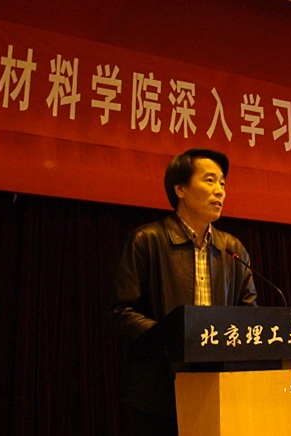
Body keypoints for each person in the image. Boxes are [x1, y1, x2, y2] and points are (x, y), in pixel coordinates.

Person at [108, 148, 257, 435]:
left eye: (222, 183)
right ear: (180, 189)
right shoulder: (146, 241)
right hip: (159, 392)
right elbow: (122, 312)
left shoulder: (233, 249)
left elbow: (249, 317)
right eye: (209, 180)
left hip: (219, 389)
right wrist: (174, 340)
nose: (220, 191)